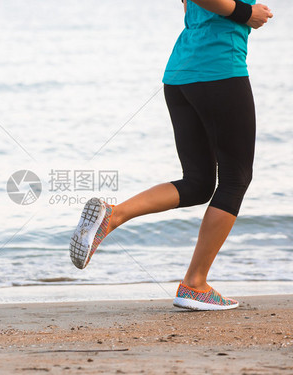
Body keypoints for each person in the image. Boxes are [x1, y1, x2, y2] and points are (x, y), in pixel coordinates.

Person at [69, 0, 273, 311]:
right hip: (219, 71)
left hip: (181, 75)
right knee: (235, 178)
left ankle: (114, 215)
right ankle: (195, 284)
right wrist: (247, 13)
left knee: (199, 183)